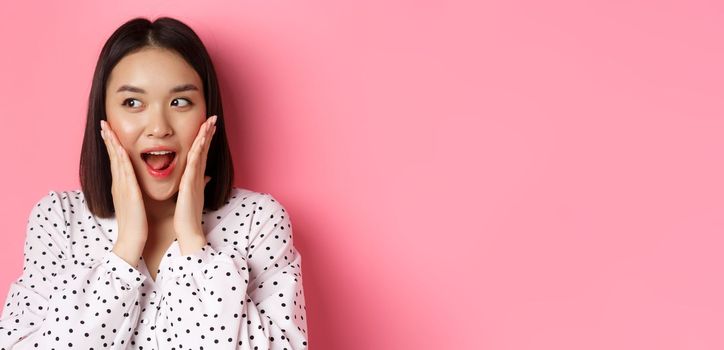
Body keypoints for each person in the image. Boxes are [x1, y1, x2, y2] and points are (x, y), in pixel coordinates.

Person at [0, 16, 308, 349]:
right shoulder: (59, 219)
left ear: (209, 114)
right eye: (133, 103)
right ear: (103, 117)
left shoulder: (257, 220)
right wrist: (125, 248)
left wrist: (193, 242)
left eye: (180, 102)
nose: (159, 126)